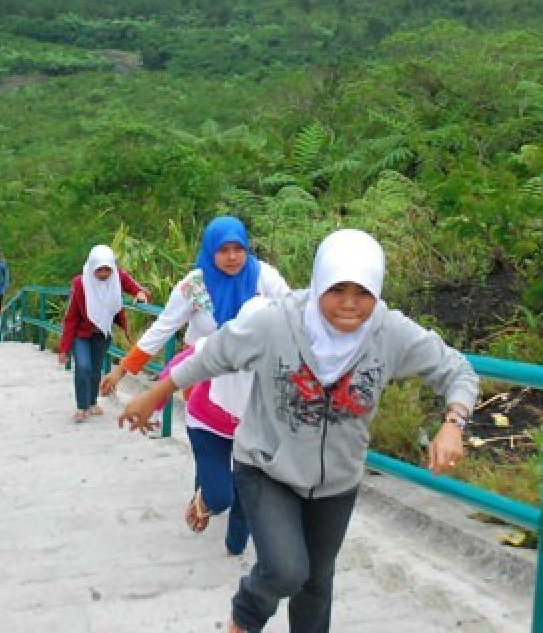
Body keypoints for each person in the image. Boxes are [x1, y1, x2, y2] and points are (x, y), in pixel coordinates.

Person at [118, 229, 478, 633]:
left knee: (316, 583)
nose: (348, 304)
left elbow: (457, 370)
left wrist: (453, 424)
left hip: (336, 482)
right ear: (319, 282)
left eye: (361, 292)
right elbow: (214, 354)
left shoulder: (389, 332)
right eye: (336, 289)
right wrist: (156, 393)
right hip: (266, 469)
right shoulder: (275, 323)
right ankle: (245, 617)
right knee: (286, 570)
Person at [100, 215, 288, 556]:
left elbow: (296, 316)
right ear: (210, 251)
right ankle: (209, 495)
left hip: (255, 387)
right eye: (223, 250)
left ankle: (232, 534)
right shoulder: (193, 286)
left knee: (249, 475)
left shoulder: (264, 277)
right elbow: (162, 328)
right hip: (205, 380)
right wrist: (122, 370)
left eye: (238, 249)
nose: (232, 257)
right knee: (219, 475)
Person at [58, 245, 149, 423]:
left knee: (95, 369)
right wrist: (64, 348)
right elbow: (70, 318)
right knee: (83, 367)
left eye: (107, 269)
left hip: (102, 333)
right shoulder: (79, 283)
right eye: (99, 270)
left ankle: (92, 403)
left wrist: (139, 294)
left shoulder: (118, 276)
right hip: (81, 334)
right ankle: (82, 407)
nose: (104, 274)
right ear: (92, 267)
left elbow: (136, 288)